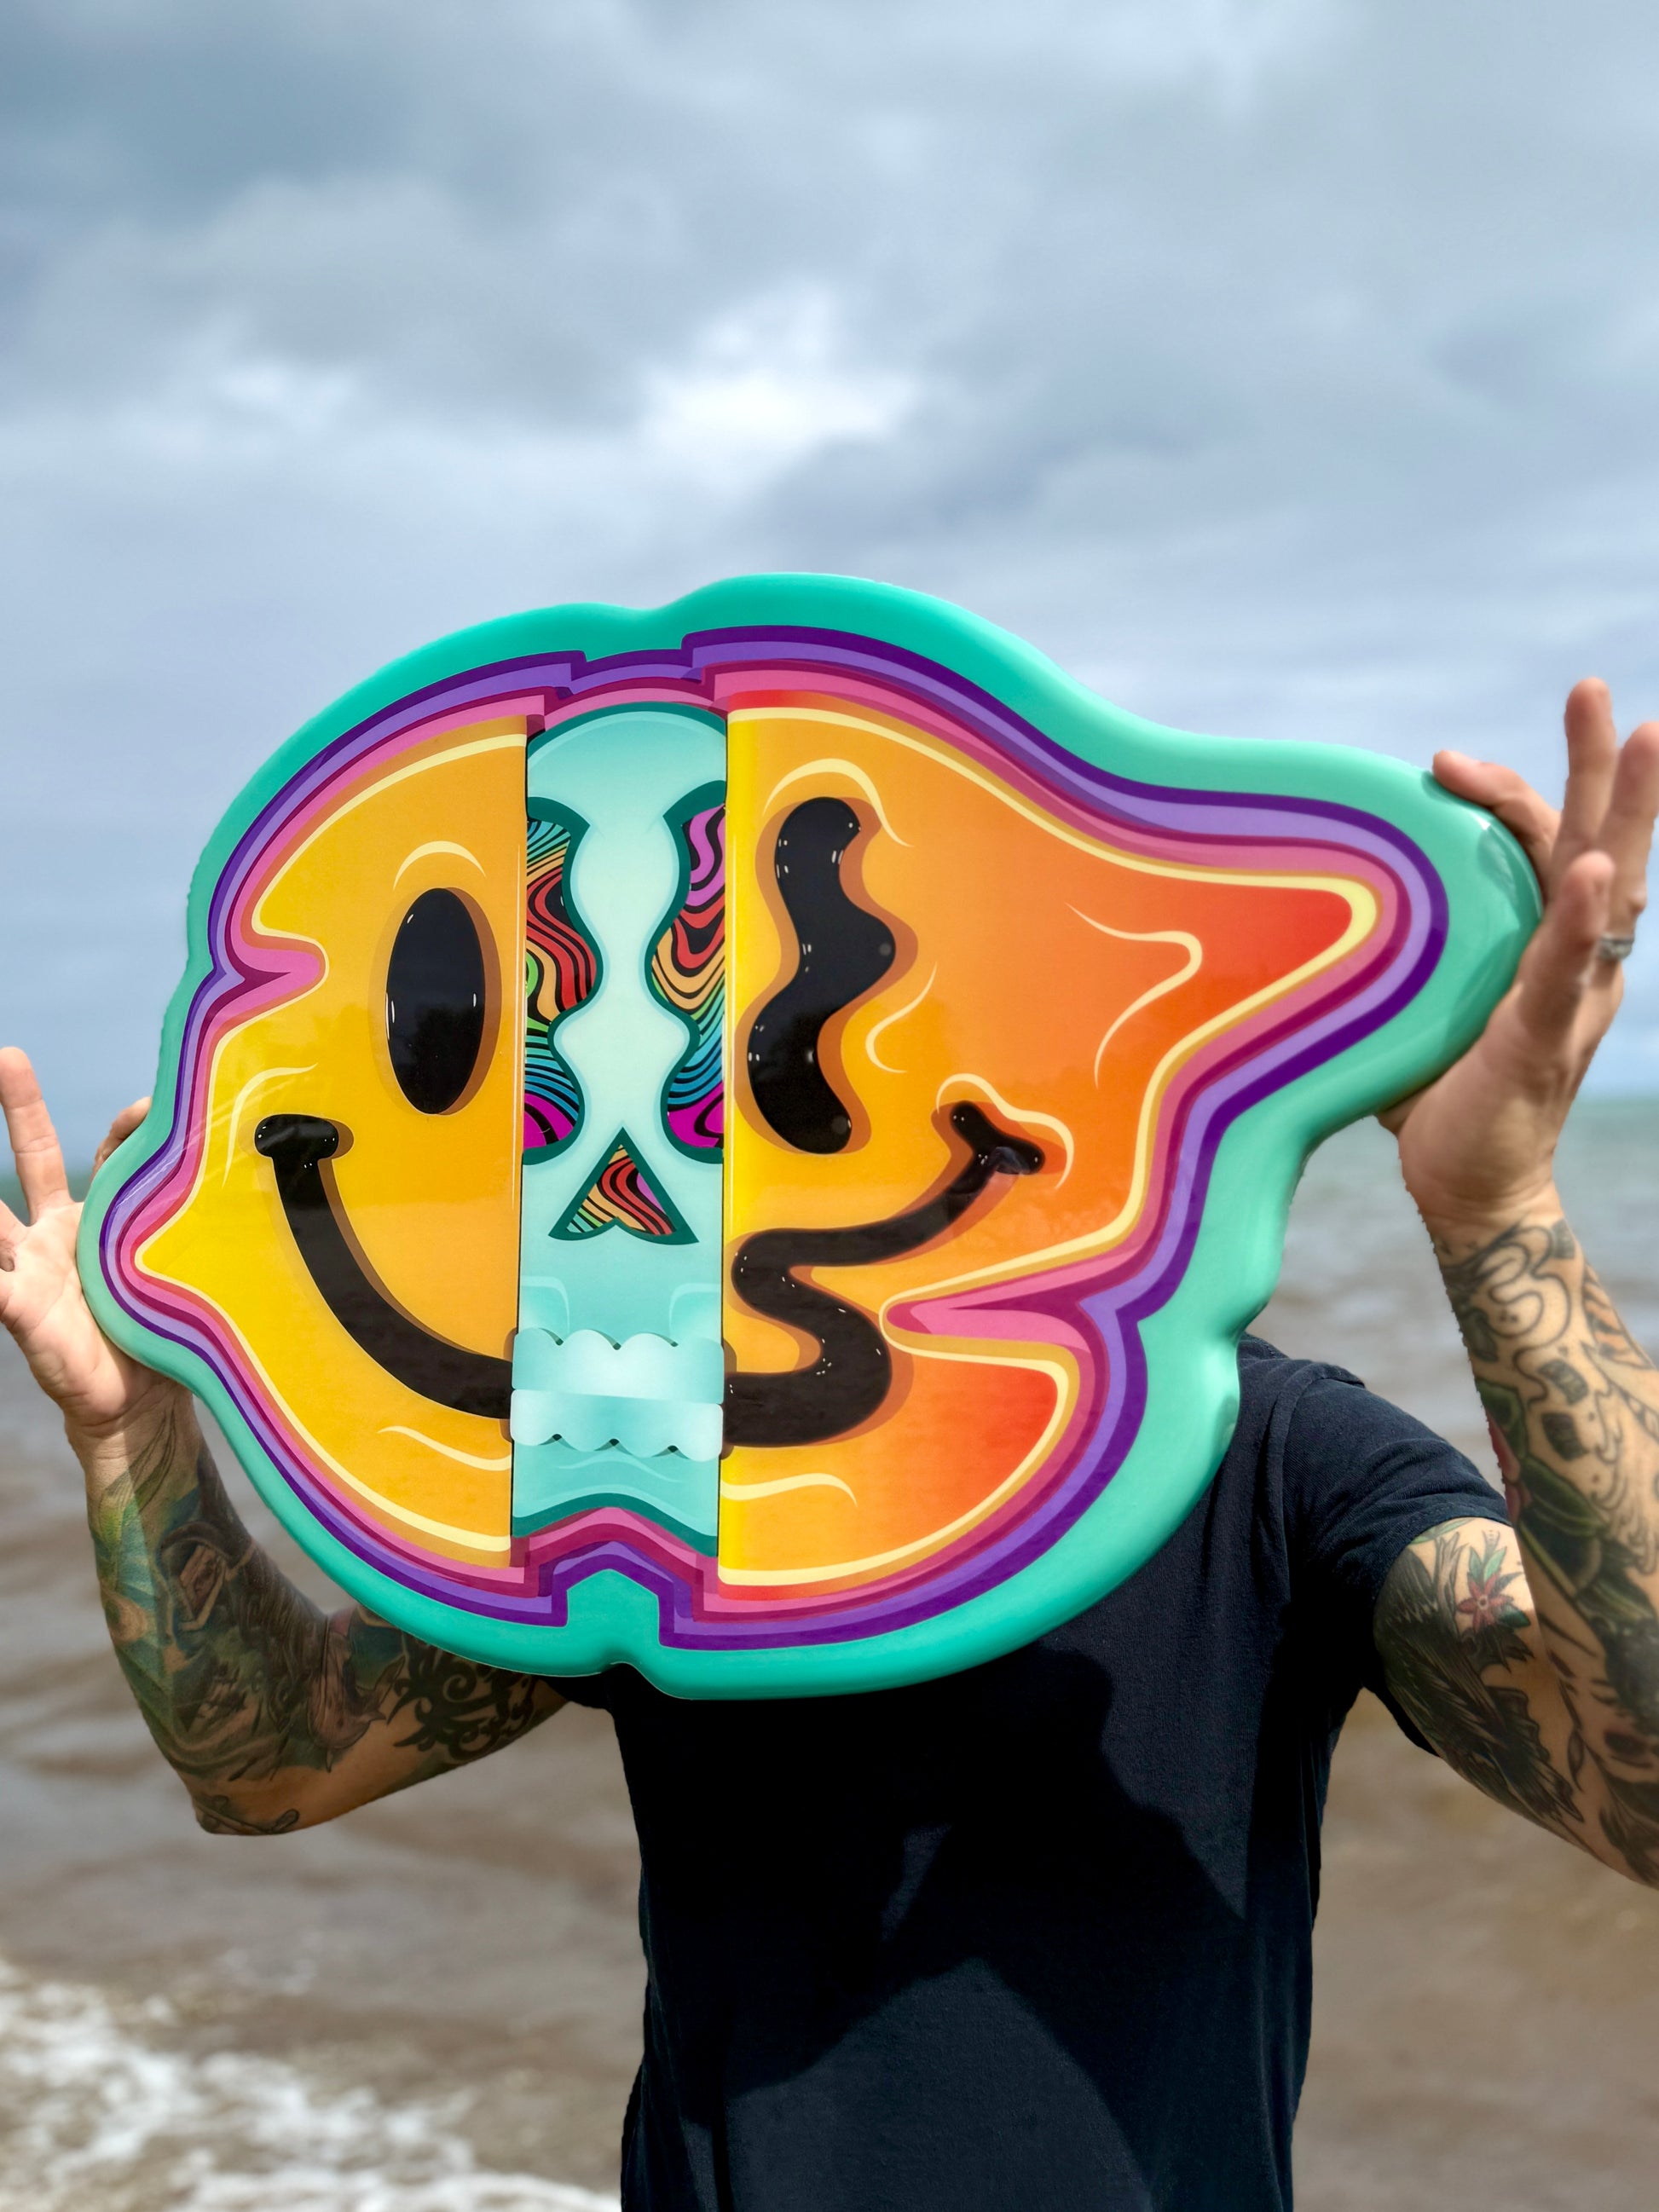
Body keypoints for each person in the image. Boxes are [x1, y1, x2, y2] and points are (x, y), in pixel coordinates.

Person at [3, 682, 1658, 2211]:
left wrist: (1494, 1212)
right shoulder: (655, 1472)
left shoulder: (1270, 1461)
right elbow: (275, 1757)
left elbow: (1639, 1785)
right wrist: (134, 1424)